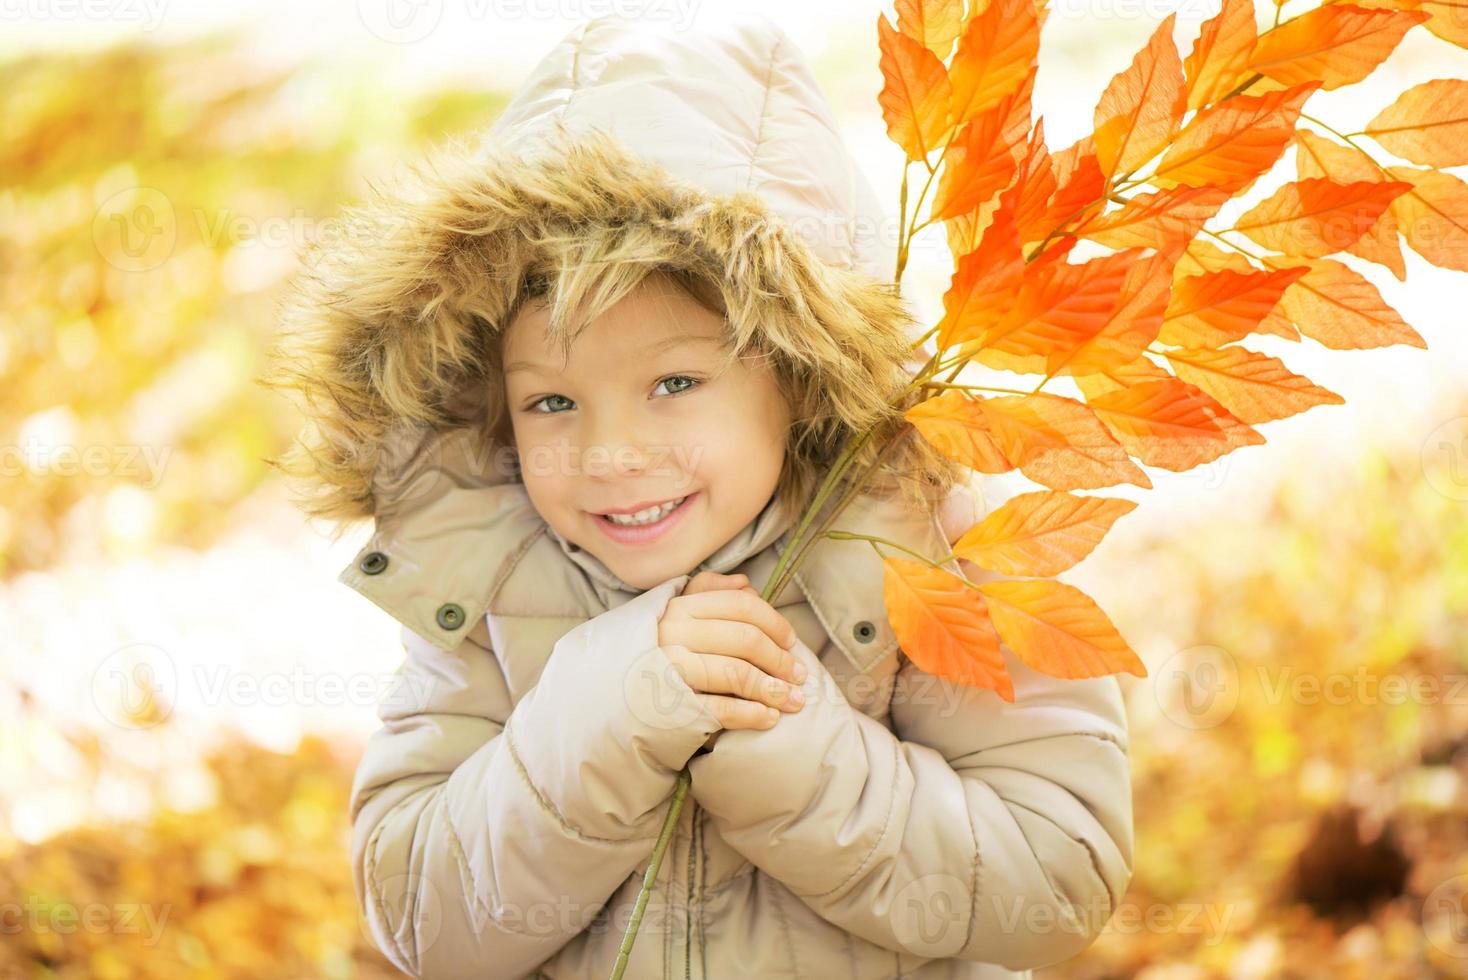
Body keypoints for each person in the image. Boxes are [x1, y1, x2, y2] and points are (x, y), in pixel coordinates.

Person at [264, 12, 1134, 979]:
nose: (610, 456)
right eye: (551, 401)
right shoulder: (487, 575)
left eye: (674, 385)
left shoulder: (915, 542)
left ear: (798, 371)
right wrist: (605, 712)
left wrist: (784, 746)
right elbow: (423, 919)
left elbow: (1054, 884)